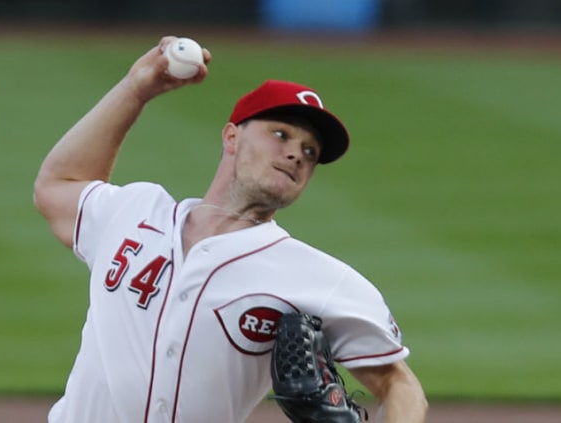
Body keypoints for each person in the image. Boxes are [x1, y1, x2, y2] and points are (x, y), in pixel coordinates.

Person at [33, 35, 428, 423]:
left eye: (311, 152)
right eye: (281, 134)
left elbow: (401, 387)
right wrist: (136, 89)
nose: (296, 154)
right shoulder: (134, 212)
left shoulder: (321, 280)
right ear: (232, 137)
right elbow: (59, 185)